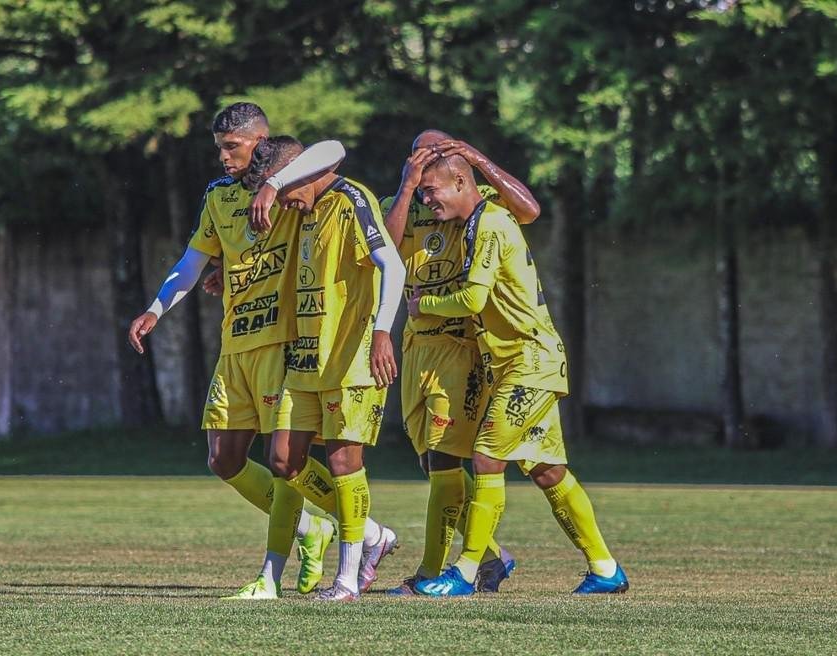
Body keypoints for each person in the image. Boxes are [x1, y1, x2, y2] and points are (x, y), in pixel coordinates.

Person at [128, 103, 344, 599]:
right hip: (236, 344)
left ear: (260, 140)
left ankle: (362, 532)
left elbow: (334, 150)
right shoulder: (219, 196)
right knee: (223, 461)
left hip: (283, 342)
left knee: (287, 459)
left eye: (233, 147)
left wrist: (272, 183)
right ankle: (315, 529)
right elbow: (190, 262)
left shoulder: (293, 181)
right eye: (219, 148)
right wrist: (156, 310)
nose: (224, 158)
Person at [408, 153, 629, 596]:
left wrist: (423, 306)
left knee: (487, 457)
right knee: (548, 470)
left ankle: (466, 573)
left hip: (530, 360)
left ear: (458, 182)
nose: (425, 199)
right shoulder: (476, 222)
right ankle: (606, 570)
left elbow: (472, 298)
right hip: (516, 362)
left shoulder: (489, 222)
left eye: (430, 190)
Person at [380, 130, 541, 595]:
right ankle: (490, 555)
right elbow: (385, 256)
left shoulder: (477, 198)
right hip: (416, 344)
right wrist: (409, 188)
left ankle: (437, 572)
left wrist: (478, 157)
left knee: (446, 460)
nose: (430, 196)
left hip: (461, 344)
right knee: (431, 461)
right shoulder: (410, 201)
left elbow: (528, 210)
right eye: (417, 159)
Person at [255, 136, 406, 601]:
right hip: (305, 358)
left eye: (285, 192)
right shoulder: (306, 209)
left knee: (344, 461)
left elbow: (393, 267)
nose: (285, 203)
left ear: (298, 172)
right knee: (283, 460)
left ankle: (346, 580)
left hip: (351, 355)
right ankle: (375, 535)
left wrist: (383, 332)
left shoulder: (349, 198)